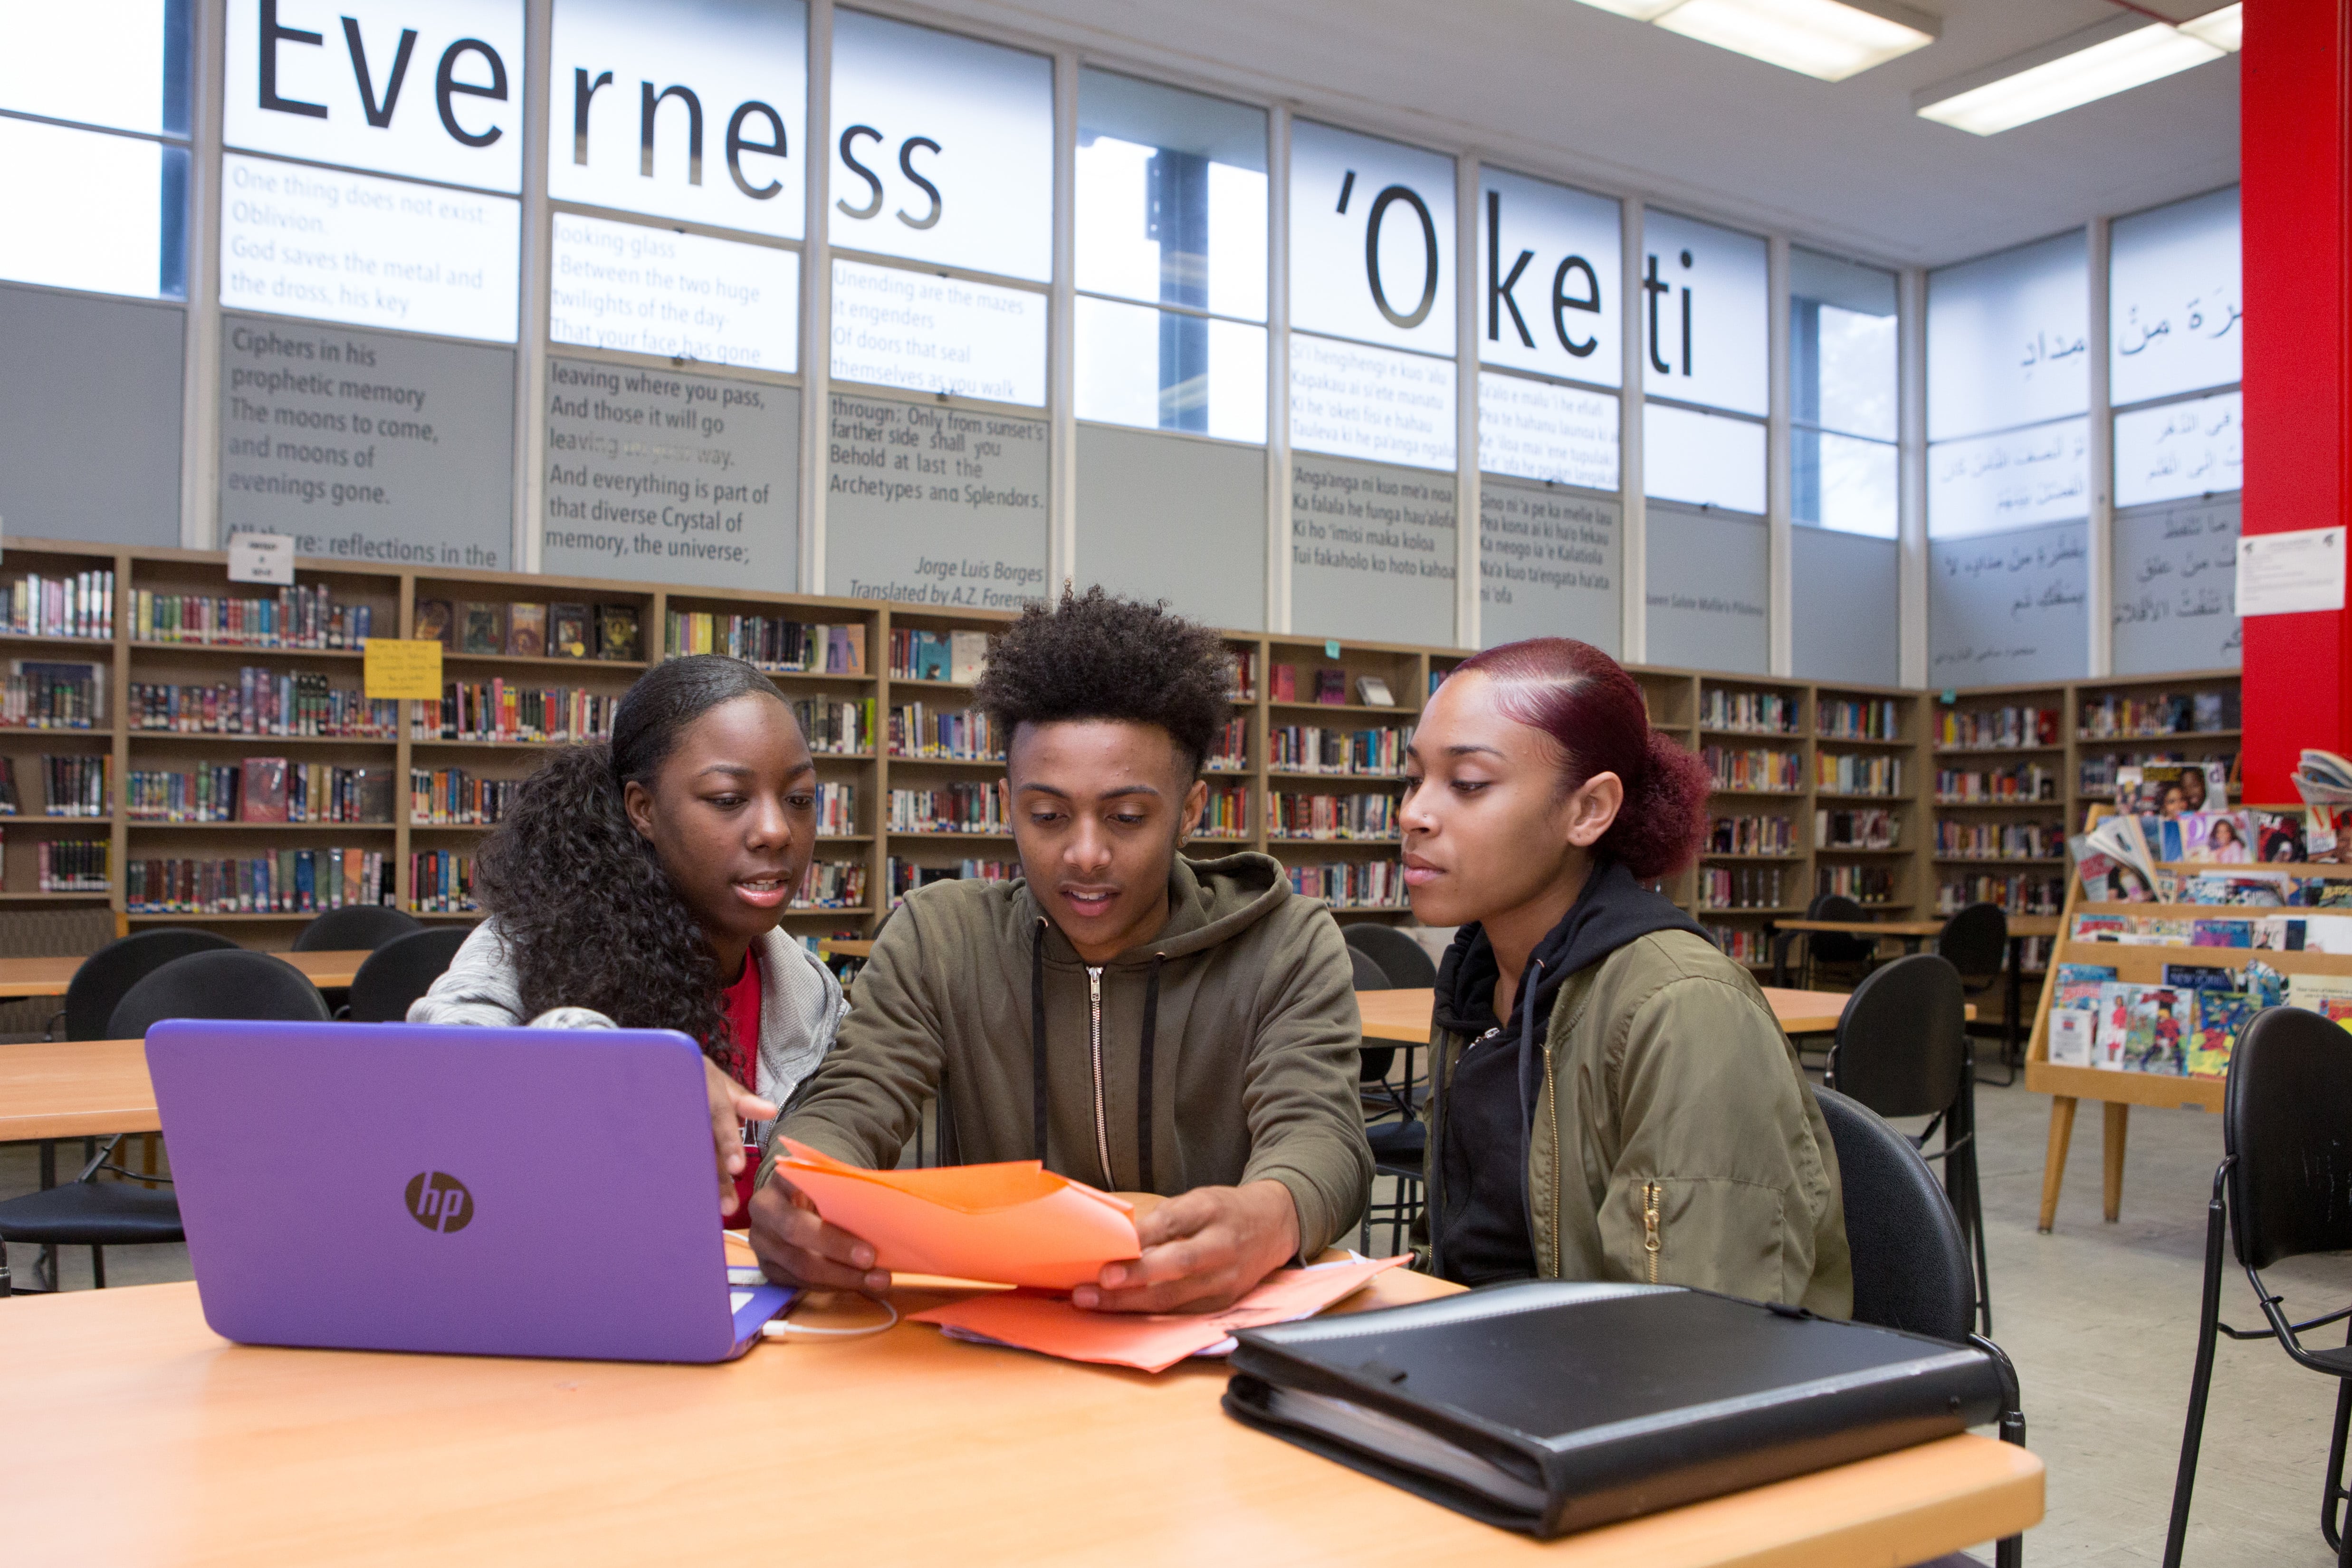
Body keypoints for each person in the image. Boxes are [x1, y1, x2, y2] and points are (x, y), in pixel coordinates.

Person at [751, 587, 1369, 1313]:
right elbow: (852, 1100)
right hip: (993, 1344)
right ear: (1006, 800)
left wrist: (1271, 1215)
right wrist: (795, 1186)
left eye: (1127, 817)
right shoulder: (938, 939)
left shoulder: (1285, 943)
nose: (1084, 854)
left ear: (1191, 811)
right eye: (1046, 816)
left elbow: (1320, 1133)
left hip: (1207, 1339)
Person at [1398, 637, 1850, 1314]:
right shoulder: (1478, 980)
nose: (1413, 814)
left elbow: (1692, 1334)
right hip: (1484, 1365)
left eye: (1467, 784)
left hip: (1616, 1388)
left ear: (1588, 811)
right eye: (1412, 779)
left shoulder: (1684, 1009)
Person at [410, 655, 847, 1225]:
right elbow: (437, 1083)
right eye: (727, 799)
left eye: (799, 799)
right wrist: (638, 1074)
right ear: (643, 809)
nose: (775, 831)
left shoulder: (812, 998)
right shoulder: (528, 944)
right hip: (576, 1298)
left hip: (759, 1307)